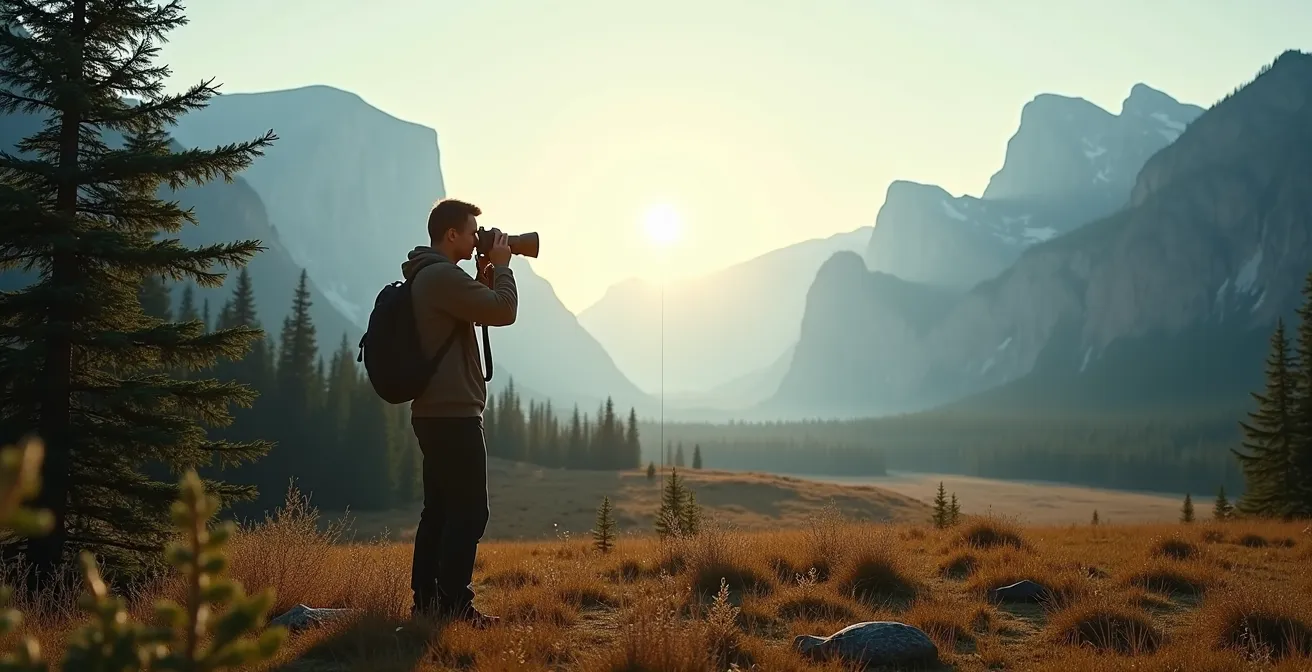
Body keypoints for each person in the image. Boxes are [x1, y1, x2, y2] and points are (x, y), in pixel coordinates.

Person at [399, 198, 517, 626]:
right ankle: (453, 606)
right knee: (469, 512)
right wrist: (503, 267)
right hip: (453, 415)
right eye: (471, 233)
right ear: (451, 234)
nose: (476, 240)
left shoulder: (430, 276)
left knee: (441, 511)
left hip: (435, 412)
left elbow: (476, 309)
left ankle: (428, 604)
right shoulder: (441, 277)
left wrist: (482, 278)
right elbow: (504, 311)